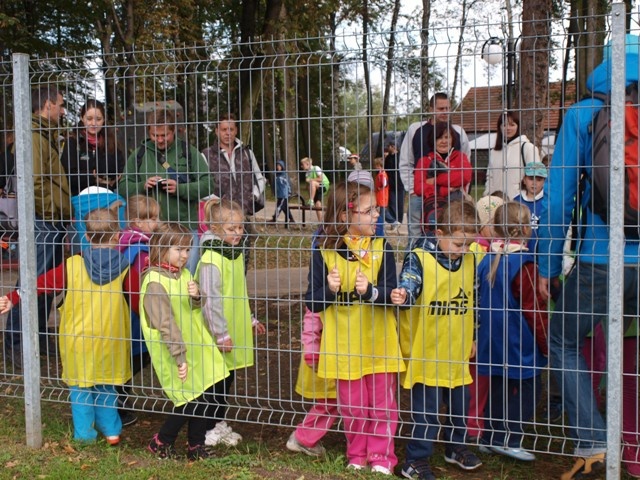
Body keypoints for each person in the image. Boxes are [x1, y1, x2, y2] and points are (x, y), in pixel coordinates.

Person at [537, 34, 640, 479]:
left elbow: (558, 201)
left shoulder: (583, 114)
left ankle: (594, 438)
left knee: (563, 339)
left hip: (601, 256)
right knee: (632, 350)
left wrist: (546, 266)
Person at [0, 206, 133, 445]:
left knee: (81, 389)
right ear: (118, 235)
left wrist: (14, 297)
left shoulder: (71, 267)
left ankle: (84, 435)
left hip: (78, 341)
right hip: (112, 339)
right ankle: (112, 431)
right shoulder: (126, 268)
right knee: (107, 387)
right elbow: (138, 300)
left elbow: (40, 283)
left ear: (87, 235)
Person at [305, 181, 404, 475]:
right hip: (344, 348)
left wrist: (372, 291)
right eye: (369, 210)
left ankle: (382, 457)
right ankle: (357, 456)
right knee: (354, 408)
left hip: (379, 345)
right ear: (345, 216)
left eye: (376, 208)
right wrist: (331, 290)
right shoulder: (324, 251)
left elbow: (391, 293)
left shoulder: (381, 247)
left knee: (383, 406)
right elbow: (313, 300)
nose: (377, 215)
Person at [391, 200, 482, 480]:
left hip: (456, 349)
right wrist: (404, 294)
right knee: (427, 410)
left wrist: (474, 335)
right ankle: (415, 459)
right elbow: (410, 282)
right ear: (440, 235)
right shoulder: (419, 258)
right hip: (427, 350)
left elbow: (474, 299)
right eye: (458, 245)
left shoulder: (471, 257)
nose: (463, 251)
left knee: (459, 404)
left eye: (468, 245)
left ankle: (455, 448)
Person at [141, 222, 229, 461]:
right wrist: (179, 357)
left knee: (205, 393)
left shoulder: (182, 274)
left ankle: (195, 446)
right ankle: (162, 441)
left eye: (188, 250)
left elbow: (190, 309)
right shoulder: (155, 284)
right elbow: (166, 324)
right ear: (161, 248)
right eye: (179, 249)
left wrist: (196, 296)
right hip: (175, 351)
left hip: (197, 347)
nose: (185, 255)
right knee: (190, 398)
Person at [4, 85, 71, 370]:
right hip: (43, 220)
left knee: (48, 281)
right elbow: (34, 182)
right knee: (33, 280)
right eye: (60, 104)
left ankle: (40, 335)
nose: (63, 110)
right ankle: (15, 342)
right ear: (47, 105)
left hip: (52, 221)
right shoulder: (33, 136)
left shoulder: (46, 134)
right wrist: (49, 212)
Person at [476, 202, 548, 462]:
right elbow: (535, 311)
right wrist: (545, 344)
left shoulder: (487, 259)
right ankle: (510, 438)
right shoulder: (525, 265)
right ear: (527, 229)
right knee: (529, 390)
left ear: (495, 227)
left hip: (492, 341)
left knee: (497, 389)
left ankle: (489, 436)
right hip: (520, 343)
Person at [196, 198, 266, 447]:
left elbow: (238, 292)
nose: (238, 233)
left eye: (240, 227)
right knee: (214, 382)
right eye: (231, 229)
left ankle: (216, 423)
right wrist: (220, 333)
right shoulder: (212, 259)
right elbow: (210, 300)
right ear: (215, 228)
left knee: (226, 380)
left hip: (232, 329)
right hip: (218, 333)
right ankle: (206, 428)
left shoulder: (234, 253)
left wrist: (249, 318)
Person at [119, 109, 212, 273]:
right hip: (152, 232)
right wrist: (143, 185)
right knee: (157, 275)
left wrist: (180, 188)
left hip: (184, 227)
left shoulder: (188, 152)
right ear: (149, 131)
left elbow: (208, 184)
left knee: (186, 273)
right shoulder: (139, 154)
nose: (160, 140)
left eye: (164, 135)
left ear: (173, 131)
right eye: (155, 135)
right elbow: (123, 186)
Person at [399, 92, 470, 246]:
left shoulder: (459, 133)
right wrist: (412, 190)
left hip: (452, 196)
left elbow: (465, 169)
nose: (445, 112)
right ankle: (413, 266)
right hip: (421, 194)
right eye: (441, 109)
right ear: (431, 109)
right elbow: (406, 162)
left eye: (448, 108)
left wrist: (458, 189)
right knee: (417, 237)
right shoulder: (415, 130)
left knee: (451, 235)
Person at [116, 194, 161, 426]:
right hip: (135, 316)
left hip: (126, 314)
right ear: (137, 220)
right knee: (133, 359)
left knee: (130, 359)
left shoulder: (127, 242)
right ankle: (118, 407)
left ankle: (119, 402)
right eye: (152, 218)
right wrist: (145, 313)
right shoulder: (139, 249)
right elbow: (134, 288)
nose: (157, 223)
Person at [466, 194, 504, 442]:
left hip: (490, 323)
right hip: (476, 323)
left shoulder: (500, 249)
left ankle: (481, 419)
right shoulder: (475, 249)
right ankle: (472, 423)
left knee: (486, 375)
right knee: (476, 376)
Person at [286, 307, 338, 457]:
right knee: (331, 398)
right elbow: (312, 318)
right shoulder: (322, 290)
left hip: (331, 350)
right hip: (323, 353)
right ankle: (303, 437)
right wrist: (312, 352)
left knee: (334, 398)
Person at [201, 112, 266, 224]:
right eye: (224, 129)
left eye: (231, 129)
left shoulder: (247, 153)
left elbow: (260, 178)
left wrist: (253, 196)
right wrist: (216, 201)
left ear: (236, 130)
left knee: (245, 241)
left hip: (244, 216)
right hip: (219, 217)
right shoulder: (206, 155)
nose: (228, 133)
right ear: (217, 131)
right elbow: (200, 185)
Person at [413, 121, 472, 232]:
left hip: (456, 205)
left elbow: (464, 177)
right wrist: (445, 189)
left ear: (452, 139)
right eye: (439, 138)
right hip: (433, 206)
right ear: (433, 141)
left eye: (447, 137)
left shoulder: (460, 157)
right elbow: (418, 187)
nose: (444, 141)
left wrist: (436, 180)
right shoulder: (424, 161)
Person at [62, 99, 125, 197]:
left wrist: (114, 180)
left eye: (98, 119)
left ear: (104, 120)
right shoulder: (73, 142)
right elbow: (68, 176)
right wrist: (94, 177)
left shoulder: (112, 142)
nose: (93, 123)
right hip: (80, 199)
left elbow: (121, 171)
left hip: (107, 198)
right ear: (82, 118)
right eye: (89, 118)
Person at [69, 152, 126, 254]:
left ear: (94, 172)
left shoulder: (79, 200)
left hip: (83, 257)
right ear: (119, 176)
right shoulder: (120, 202)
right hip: (110, 257)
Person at [483, 111, 541, 200]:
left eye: (512, 125)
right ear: (500, 127)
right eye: (504, 125)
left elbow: (536, 176)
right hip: (495, 202)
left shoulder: (528, 148)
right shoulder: (494, 152)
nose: (508, 128)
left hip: (518, 202)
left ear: (518, 126)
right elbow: (490, 177)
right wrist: (487, 195)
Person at [513, 161, 547, 254]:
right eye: (531, 178)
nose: (534, 183)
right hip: (519, 253)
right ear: (524, 180)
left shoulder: (548, 202)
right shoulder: (516, 201)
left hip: (542, 253)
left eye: (539, 179)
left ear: (545, 181)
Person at [300, 156, 330, 222]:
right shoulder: (307, 174)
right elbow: (308, 187)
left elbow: (320, 178)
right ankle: (321, 222)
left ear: (307, 164)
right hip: (316, 188)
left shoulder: (316, 168)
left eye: (302, 164)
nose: (301, 166)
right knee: (317, 203)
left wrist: (310, 180)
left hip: (323, 185)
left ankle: (311, 200)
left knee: (312, 182)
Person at [383, 142, 404, 230]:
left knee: (400, 203)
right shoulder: (388, 158)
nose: (388, 148)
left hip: (400, 184)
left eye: (389, 146)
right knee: (392, 203)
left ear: (393, 147)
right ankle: (394, 221)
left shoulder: (401, 157)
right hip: (391, 184)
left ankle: (399, 220)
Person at [269, 159, 295, 227]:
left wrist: (289, 193)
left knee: (279, 207)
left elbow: (288, 184)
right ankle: (291, 219)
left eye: (279, 166)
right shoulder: (276, 175)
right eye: (277, 165)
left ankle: (274, 218)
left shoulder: (284, 175)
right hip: (279, 194)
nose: (278, 167)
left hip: (284, 194)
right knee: (285, 208)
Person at [373, 157, 389, 229]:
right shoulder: (381, 173)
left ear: (379, 165)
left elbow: (385, 183)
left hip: (382, 195)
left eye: (376, 166)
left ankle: (392, 222)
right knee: (382, 211)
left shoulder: (382, 174)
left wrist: (380, 188)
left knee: (383, 212)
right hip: (380, 195)